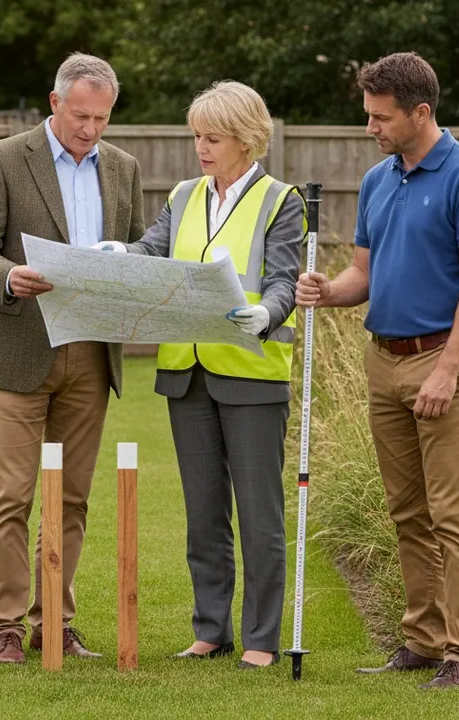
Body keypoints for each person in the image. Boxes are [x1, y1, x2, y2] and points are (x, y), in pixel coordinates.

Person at [295, 51, 459, 689]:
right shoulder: (378, 179)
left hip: (443, 361)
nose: (371, 127)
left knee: (455, 514)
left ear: (421, 112)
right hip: (383, 360)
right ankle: (422, 642)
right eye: (368, 115)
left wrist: (448, 370)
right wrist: (328, 290)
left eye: (381, 117)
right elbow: (364, 273)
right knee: (408, 512)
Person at [97, 80, 305, 670]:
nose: (201, 148)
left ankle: (261, 638)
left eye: (212, 138)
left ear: (246, 139)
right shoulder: (184, 194)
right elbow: (153, 251)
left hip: (252, 372)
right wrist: (122, 254)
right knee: (203, 513)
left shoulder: (280, 200)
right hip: (185, 373)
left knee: (259, 515)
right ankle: (211, 629)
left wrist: (268, 313)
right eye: (197, 136)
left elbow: (285, 280)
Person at [0, 53, 145, 664]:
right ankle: (5, 628)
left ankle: (55, 624)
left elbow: (141, 247)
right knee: (11, 495)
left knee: (71, 500)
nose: (91, 129)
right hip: (17, 349)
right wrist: (9, 277)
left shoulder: (123, 168)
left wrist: (129, 261)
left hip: (91, 353)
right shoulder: (2, 159)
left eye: (102, 118)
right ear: (54, 102)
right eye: (81, 116)